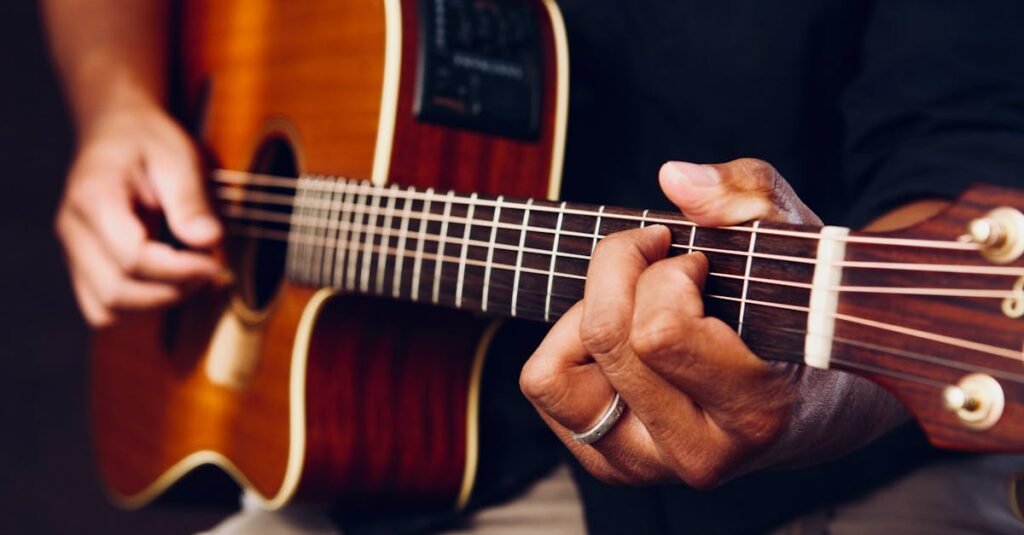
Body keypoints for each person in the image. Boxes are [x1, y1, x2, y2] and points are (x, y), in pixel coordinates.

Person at [43, 0, 1024, 533]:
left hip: (812, 482)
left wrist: (813, 396)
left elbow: (968, 164)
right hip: (361, 458)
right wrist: (116, 103)